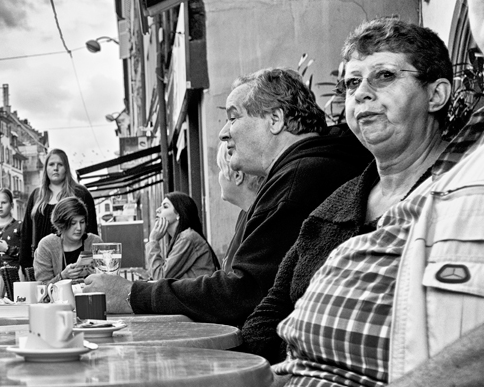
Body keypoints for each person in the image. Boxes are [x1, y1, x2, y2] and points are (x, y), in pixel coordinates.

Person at [214, 15, 484, 387]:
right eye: (351, 83)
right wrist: (251, 381)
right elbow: (274, 307)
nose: (362, 94)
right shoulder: (337, 203)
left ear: (436, 94)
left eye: (384, 76)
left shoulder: (460, 197)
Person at [84, 68, 371, 326]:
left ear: (275, 119)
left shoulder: (300, 179)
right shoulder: (304, 171)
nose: (223, 133)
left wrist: (132, 294)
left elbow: (242, 294)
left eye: (233, 117)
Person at [19, 149, 98, 271]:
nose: (55, 168)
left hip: (75, 263)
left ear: (66, 168)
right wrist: (24, 265)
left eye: (60, 164)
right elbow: (26, 233)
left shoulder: (81, 194)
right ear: (46, 168)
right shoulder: (36, 196)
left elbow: (91, 231)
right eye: (51, 164)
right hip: (42, 264)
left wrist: (90, 262)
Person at [146, 192, 219, 280]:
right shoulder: (181, 238)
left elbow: (160, 277)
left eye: (165, 206)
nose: (158, 210)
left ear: (178, 214)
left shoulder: (187, 238)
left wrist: (153, 240)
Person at [215, 145, 263, 272]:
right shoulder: (245, 214)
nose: (218, 176)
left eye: (220, 168)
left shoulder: (258, 218)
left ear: (237, 175)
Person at [33, 197, 102, 284]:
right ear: (61, 224)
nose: (79, 228)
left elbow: (109, 281)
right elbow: (42, 287)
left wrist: (97, 275)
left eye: (82, 222)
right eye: (73, 223)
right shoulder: (47, 245)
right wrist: (62, 276)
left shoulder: (95, 242)